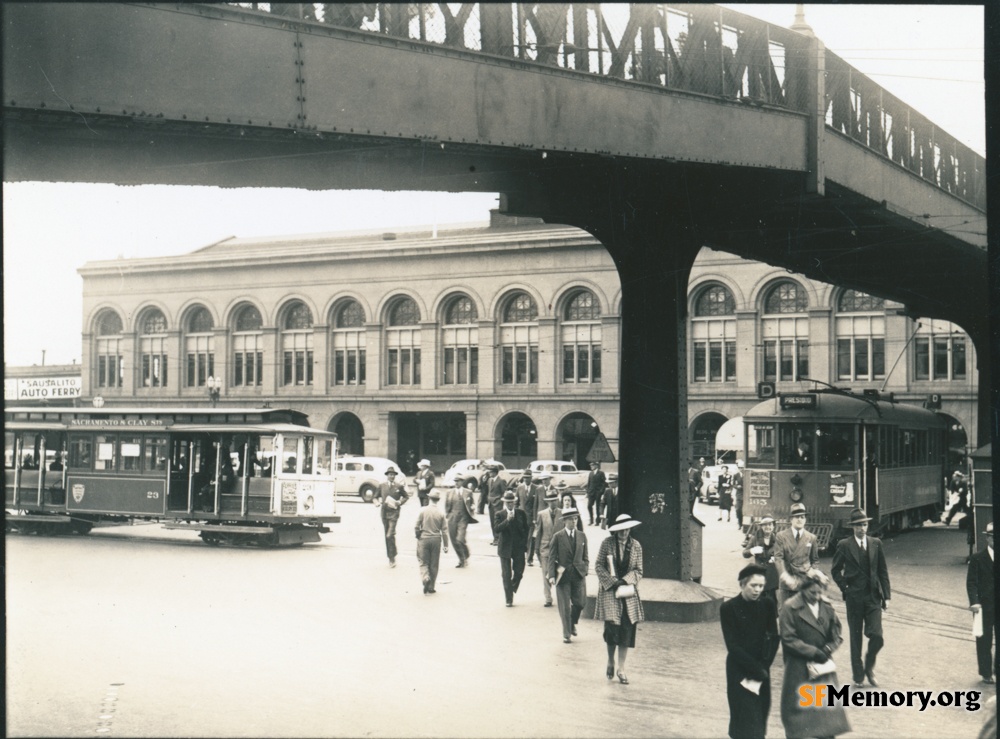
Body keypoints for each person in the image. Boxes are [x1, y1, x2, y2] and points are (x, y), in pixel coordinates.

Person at [778, 570, 851, 739]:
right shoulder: (790, 607)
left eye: (820, 592)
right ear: (803, 589)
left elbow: (837, 634)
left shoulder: (826, 607)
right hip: (798, 668)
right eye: (812, 592)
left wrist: (828, 649)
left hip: (823, 668)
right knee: (798, 717)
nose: (817, 596)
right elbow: (788, 638)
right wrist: (813, 652)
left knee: (826, 717)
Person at [831, 508, 890, 688]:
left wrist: (886, 596)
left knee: (877, 636)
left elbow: (882, 571)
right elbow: (835, 570)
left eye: (864, 525)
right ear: (852, 528)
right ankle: (858, 676)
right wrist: (845, 588)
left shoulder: (876, 543)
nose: (862, 528)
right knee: (856, 639)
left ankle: (869, 666)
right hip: (854, 599)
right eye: (858, 526)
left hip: (873, 597)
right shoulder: (844, 545)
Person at [720, 564, 779, 739]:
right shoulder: (728, 608)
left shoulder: (768, 604)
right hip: (739, 670)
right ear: (742, 584)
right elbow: (732, 645)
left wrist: (763, 667)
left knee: (760, 718)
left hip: (762, 669)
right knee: (744, 720)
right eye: (753, 586)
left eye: (761, 586)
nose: (758, 590)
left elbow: (773, 637)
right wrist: (756, 668)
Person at [594, 513, 645, 684]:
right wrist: (612, 581)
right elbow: (598, 565)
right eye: (621, 530)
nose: (624, 533)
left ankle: (621, 668)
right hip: (611, 592)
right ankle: (610, 660)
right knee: (612, 630)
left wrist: (626, 580)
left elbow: (639, 570)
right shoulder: (607, 544)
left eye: (627, 529)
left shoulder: (636, 546)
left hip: (628, 593)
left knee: (626, 630)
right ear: (615, 531)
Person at [547, 506, 589, 643]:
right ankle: (566, 634)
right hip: (563, 576)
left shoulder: (582, 536)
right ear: (564, 521)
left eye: (575, 518)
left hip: (578, 575)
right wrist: (552, 575)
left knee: (581, 603)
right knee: (564, 607)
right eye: (571, 519)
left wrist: (585, 568)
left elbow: (585, 556)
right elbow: (551, 557)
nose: (574, 521)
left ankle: (572, 623)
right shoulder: (557, 537)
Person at [773, 502, 819, 610]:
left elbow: (815, 560)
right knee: (786, 615)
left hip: (804, 583)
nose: (800, 520)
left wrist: (813, 571)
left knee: (804, 617)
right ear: (791, 520)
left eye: (802, 517)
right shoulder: (781, 536)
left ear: (805, 520)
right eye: (796, 517)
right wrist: (785, 577)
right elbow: (778, 558)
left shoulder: (811, 538)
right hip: (787, 583)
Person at [967, 521, 995, 684]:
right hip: (984, 606)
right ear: (988, 539)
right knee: (984, 640)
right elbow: (971, 583)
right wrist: (974, 602)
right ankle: (986, 673)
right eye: (993, 537)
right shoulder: (977, 558)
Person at [495, 490, 530, 606]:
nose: (510, 504)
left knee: (519, 572)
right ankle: (509, 599)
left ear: (514, 502)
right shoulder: (499, 514)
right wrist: (507, 521)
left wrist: (525, 543)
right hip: (505, 548)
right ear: (505, 503)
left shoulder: (521, 513)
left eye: (512, 502)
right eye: (507, 502)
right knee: (506, 574)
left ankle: (512, 587)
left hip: (518, 547)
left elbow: (526, 529)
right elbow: (497, 529)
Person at [414, 489, 449, 594]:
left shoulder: (423, 510)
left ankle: (425, 578)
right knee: (434, 564)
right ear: (438, 500)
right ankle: (431, 587)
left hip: (424, 538)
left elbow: (416, 526)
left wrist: (418, 535)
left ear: (429, 498)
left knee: (423, 562)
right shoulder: (441, 513)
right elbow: (445, 531)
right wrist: (446, 545)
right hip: (436, 540)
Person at [374, 467, 408, 567]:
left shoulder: (399, 486)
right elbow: (375, 497)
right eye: (390, 474)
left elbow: (406, 496)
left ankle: (392, 558)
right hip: (384, 513)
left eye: (393, 475)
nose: (392, 476)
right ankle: (391, 557)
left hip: (394, 513)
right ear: (387, 475)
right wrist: (376, 502)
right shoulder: (382, 485)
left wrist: (399, 502)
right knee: (387, 535)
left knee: (389, 535)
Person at [742, 515, 779, 607]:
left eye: (770, 524)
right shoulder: (755, 538)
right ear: (761, 526)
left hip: (772, 575)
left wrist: (776, 557)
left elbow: (784, 553)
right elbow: (744, 553)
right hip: (759, 573)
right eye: (765, 525)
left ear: (773, 526)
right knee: (759, 600)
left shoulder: (778, 538)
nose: (768, 527)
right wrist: (752, 550)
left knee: (772, 601)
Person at [534, 489, 562, 607]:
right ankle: (548, 598)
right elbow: (538, 532)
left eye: (554, 500)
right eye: (550, 501)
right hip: (545, 547)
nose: (553, 503)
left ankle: (561, 596)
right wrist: (536, 549)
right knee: (545, 573)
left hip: (560, 548)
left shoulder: (562, 513)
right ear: (547, 502)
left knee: (560, 572)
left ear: (557, 500)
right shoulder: (541, 514)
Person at [445, 476, 478, 568]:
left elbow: (472, 504)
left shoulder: (468, 492)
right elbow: (446, 505)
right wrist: (448, 515)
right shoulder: (449, 492)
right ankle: (461, 559)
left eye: (458, 481)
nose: (456, 483)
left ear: (462, 482)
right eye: (455, 481)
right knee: (453, 540)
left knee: (460, 539)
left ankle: (466, 554)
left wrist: (472, 510)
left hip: (463, 518)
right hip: (452, 518)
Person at [526, 472, 551, 566]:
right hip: (539, 518)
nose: (544, 481)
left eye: (546, 479)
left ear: (549, 479)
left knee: (547, 538)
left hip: (549, 518)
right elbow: (535, 504)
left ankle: (543, 560)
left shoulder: (554, 489)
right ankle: (529, 558)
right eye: (543, 480)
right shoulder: (539, 489)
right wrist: (534, 518)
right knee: (534, 538)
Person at [585, 461, 606, 526]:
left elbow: (603, 483)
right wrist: (588, 492)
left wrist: (601, 491)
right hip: (591, 493)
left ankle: (597, 521)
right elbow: (589, 483)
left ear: (596, 466)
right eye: (591, 466)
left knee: (597, 507)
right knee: (589, 506)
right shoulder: (590, 473)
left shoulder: (601, 473)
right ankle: (591, 520)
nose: (591, 467)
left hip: (598, 493)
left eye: (592, 465)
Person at [733, 461, 745, 529]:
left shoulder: (746, 474)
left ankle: (744, 523)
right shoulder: (736, 475)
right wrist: (737, 487)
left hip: (745, 494)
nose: (741, 469)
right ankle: (740, 523)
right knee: (738, 509)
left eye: (742, 468)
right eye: (740, 468)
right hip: (739, 494)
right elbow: (733, 484)